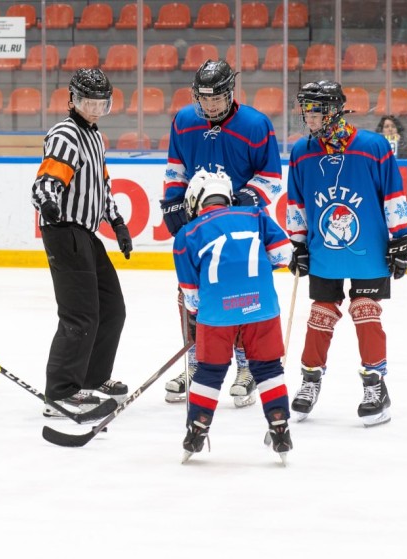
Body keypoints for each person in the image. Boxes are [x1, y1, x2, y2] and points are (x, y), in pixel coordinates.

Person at [287, 80, 407, 427]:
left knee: (365, 310)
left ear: (333, 111)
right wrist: (298, 242)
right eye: (306, 111)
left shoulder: (373, 146)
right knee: (321, 313)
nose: (309, 118)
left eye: (315, 111)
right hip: (323, 249)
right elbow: (296, 201)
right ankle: (310, 380)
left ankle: (375, 385)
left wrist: (401, 238)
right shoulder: (302, 152)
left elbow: (393, 193)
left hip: (369, 248)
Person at [160, 59, 283, 408]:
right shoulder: (184, 121)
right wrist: (173, 202)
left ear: (230, 93)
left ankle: (245, 368)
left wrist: (242, 202)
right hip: (201, 226)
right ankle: (197, 362)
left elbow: (271, 178)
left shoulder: (255, 125)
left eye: (216, 98)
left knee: (241, 295)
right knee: (191, 295)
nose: (210, 105)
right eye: (204, 98)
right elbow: (176, 169)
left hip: (242, 227)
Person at [31, 67, 133, 418]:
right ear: (73, 100)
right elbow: (46, 182)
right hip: (64, 231)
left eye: (100, 103)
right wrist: (48, 202)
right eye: (88, 102)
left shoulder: (95, 137)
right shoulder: (66, 134)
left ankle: (92, 379)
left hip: (87, 233)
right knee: (80, 315)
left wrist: (117, 222)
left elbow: (101, 187)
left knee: (112, 309)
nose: (94, 109)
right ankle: (61, 392)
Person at [173, 169, 294, 463]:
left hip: (216, 313)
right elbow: (284, 255)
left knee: (210, 371)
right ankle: (280, 426)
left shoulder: (186, 234)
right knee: (267, 368)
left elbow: (191, 296)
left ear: (195, 200)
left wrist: (201, 313)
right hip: (261, 306)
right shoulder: (256, 215)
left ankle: (197, 430)